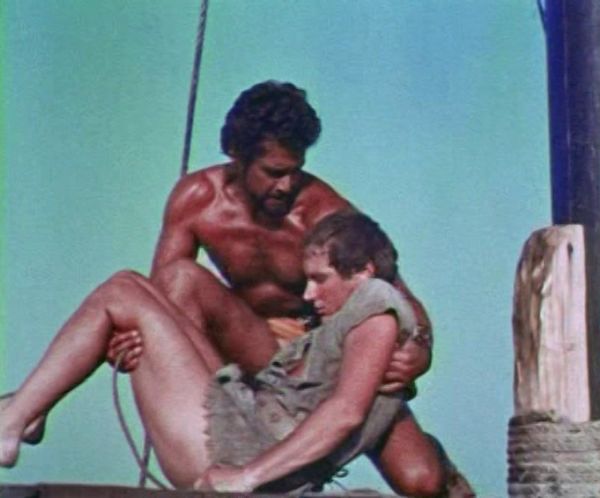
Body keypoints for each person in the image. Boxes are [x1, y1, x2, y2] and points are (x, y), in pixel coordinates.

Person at [105, 80, 455, 493]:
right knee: (178, 279)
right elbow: (163, 299)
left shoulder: (325, 214)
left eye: (295, 170)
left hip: (319, 357)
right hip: (245, 341)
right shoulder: (196, 200)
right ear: (237, 155)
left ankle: (438, 462)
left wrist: (421, 349)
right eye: (274, 172)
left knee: (422, 481)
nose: (287, 185)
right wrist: (134, 341)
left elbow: (399, 297)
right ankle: (216, 457)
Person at [1, 212, 448, 497]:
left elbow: (345, 413)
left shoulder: (375, 306)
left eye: (320, 279)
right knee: (147, 284)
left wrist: (247, 476)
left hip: (241, 449)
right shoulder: (356, 321)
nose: (309, 295)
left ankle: (13, 422)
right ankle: (26, 414)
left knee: (121, 290)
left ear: (364, 272)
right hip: (246, 421)